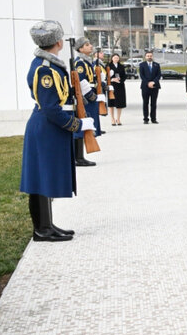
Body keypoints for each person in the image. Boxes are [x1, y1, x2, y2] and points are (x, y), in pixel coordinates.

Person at [20, 20, 96, 241]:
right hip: (45, 127)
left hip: (48, 126)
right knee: (40, 178)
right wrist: (78, 125)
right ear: (58, 42)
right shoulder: (45, 70)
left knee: (45, 176)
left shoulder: (51, 65)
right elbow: (51, 108)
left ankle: (47, 224)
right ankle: (41, 230)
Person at [72, 37, 105, 166]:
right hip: (86, 96)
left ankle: (80, 156)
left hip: (90, 94)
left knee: (87, 124)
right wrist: (91, 96)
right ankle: (78, 157)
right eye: (87, 45)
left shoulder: (86, 62)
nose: (90, 46)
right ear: (80, 49)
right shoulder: (80, 63)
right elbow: (80, 80)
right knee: (83, 123)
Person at [139, 51, 161, 124]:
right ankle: (145, 119)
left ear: (152, 56)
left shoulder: (156, 65)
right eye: (148, 56)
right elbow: (142, 75)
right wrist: (148, 83)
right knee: (145, 103)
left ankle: (153, 119)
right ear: (145, 57)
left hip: (155, 86)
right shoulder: (142, 65)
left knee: (153, 103)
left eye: (150, 56)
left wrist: (153, 82)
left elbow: (159, 75)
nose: (149, 57)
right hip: (145, 86)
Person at [106, 53, 127, 125]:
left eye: (117, 58)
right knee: (111, 103)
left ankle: (118, 119)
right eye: (114, 57)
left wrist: (120, 80)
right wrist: (112, 79)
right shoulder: (108, 66)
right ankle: (112, 119)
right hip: (112, 86)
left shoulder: (121, 66)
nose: (116, 59)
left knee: (120, 103)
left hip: (120, 86)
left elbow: (124, 76)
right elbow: (105, 76)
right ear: (112, 58)